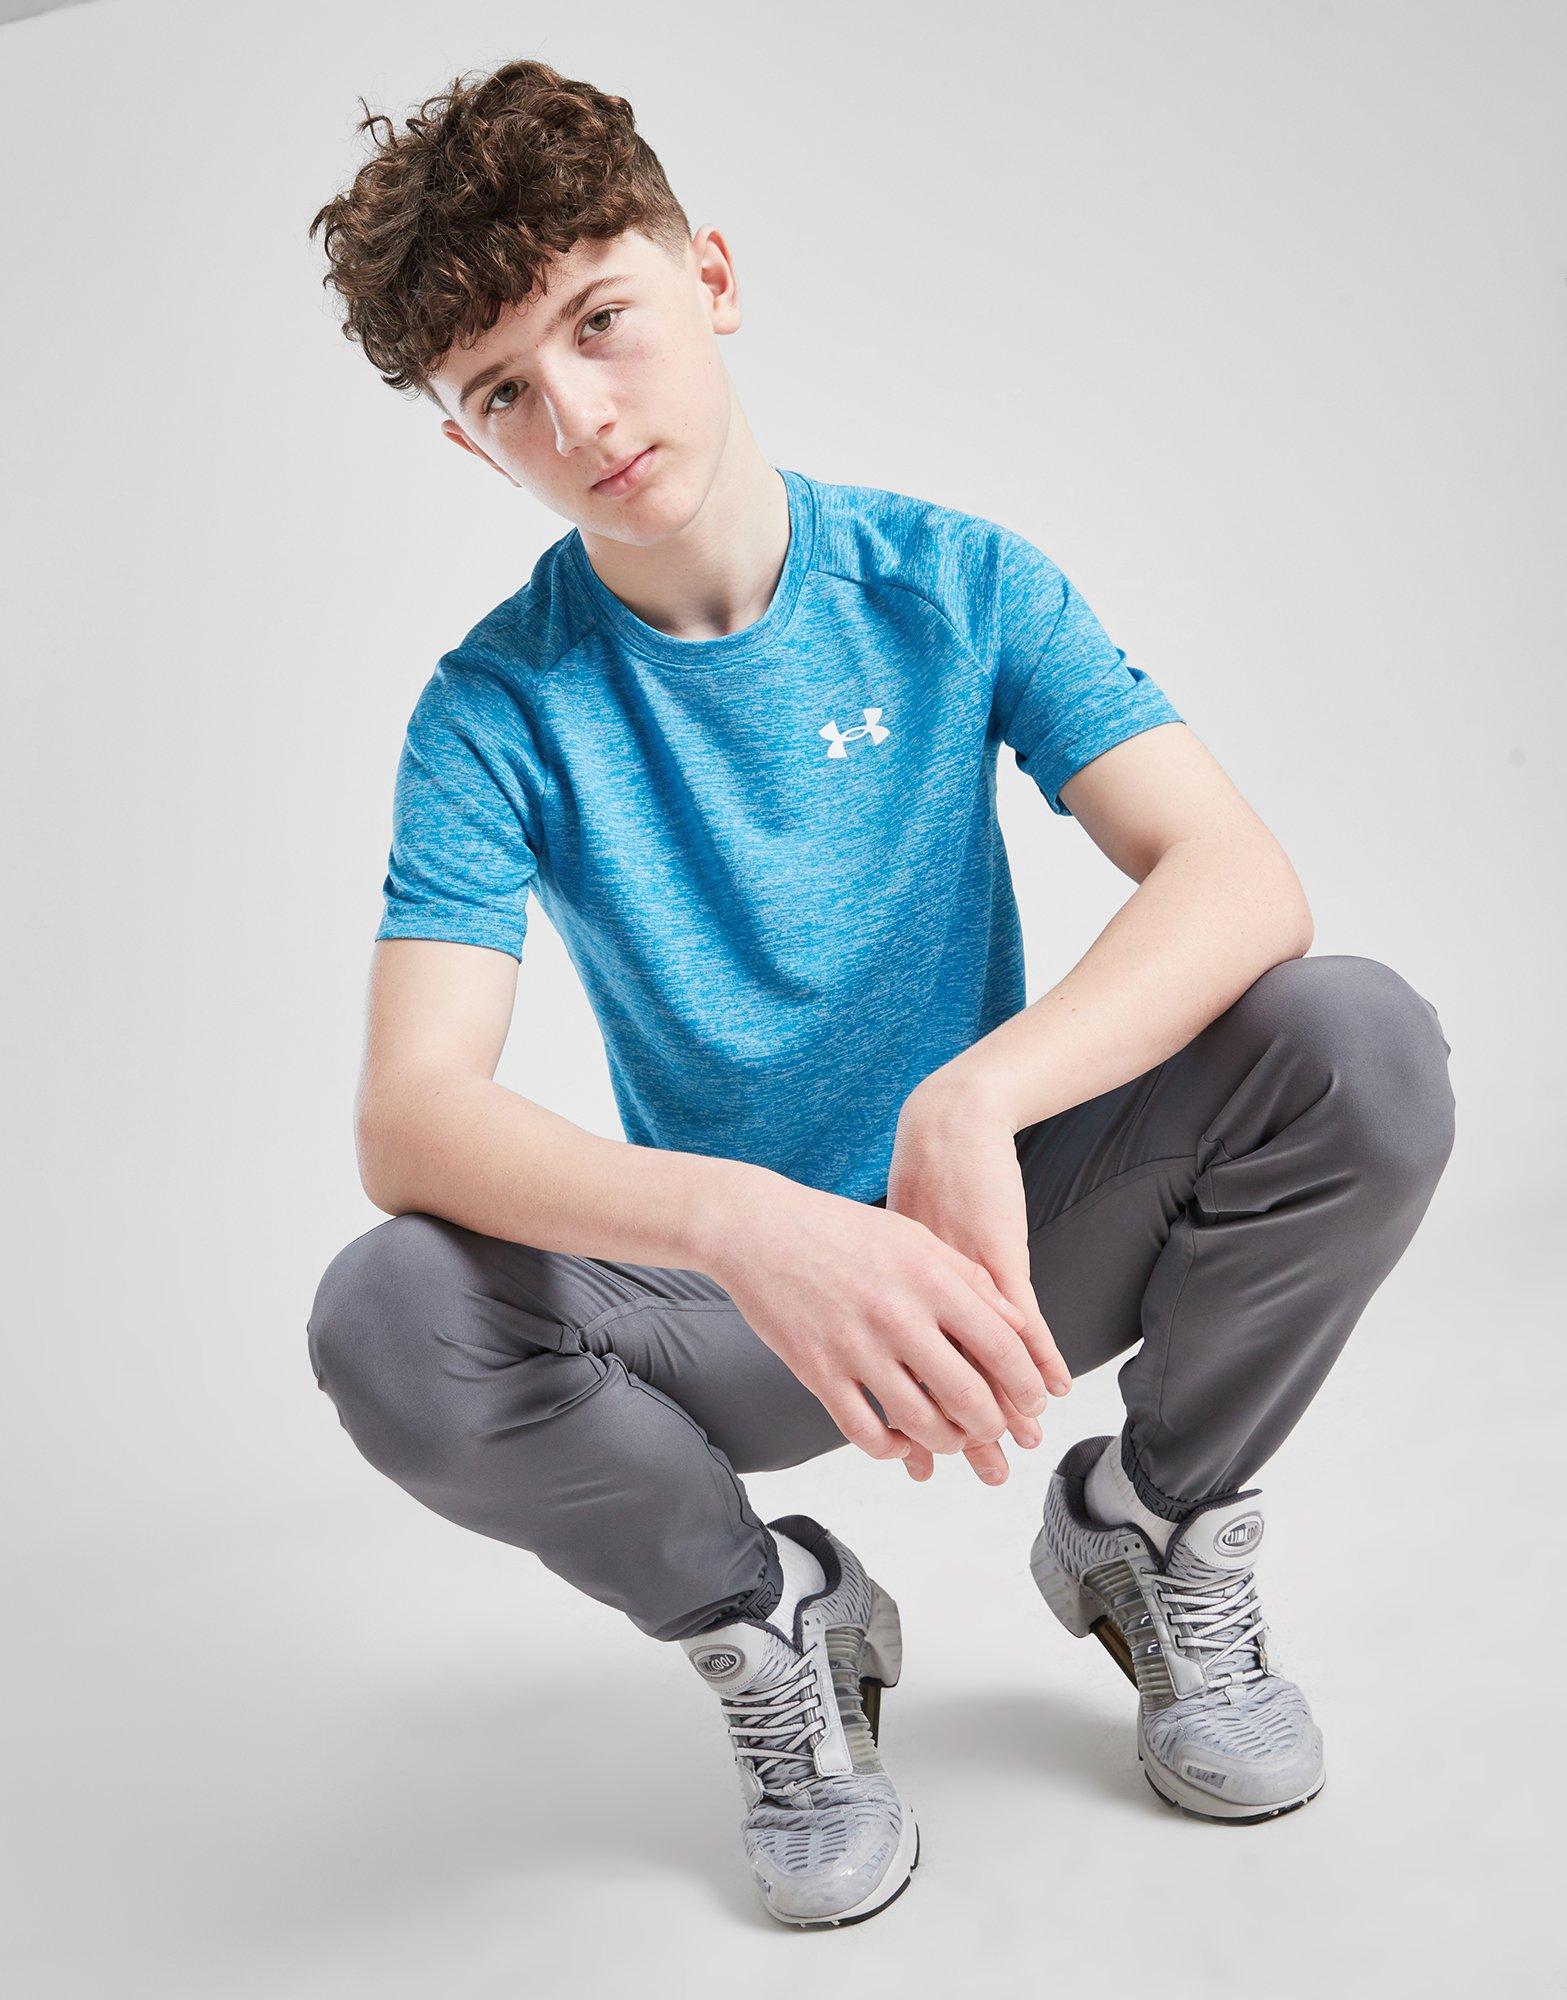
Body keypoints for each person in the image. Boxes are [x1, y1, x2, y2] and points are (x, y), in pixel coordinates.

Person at [304, 57, 1456, 1928]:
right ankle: (775, 1624)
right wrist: (745, 1224)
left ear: (712, 278)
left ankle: (1153, 1528)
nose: (578, 412)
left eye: (600, 321)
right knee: (391, 1315)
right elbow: (411, 1117)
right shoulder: (491, 711)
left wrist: (975, 1098)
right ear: (467, 444)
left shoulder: (953, 579)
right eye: (502, 391)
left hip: (1001, 1244)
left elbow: (1237, 877)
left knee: (1361, 1045)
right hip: (734, 1314)